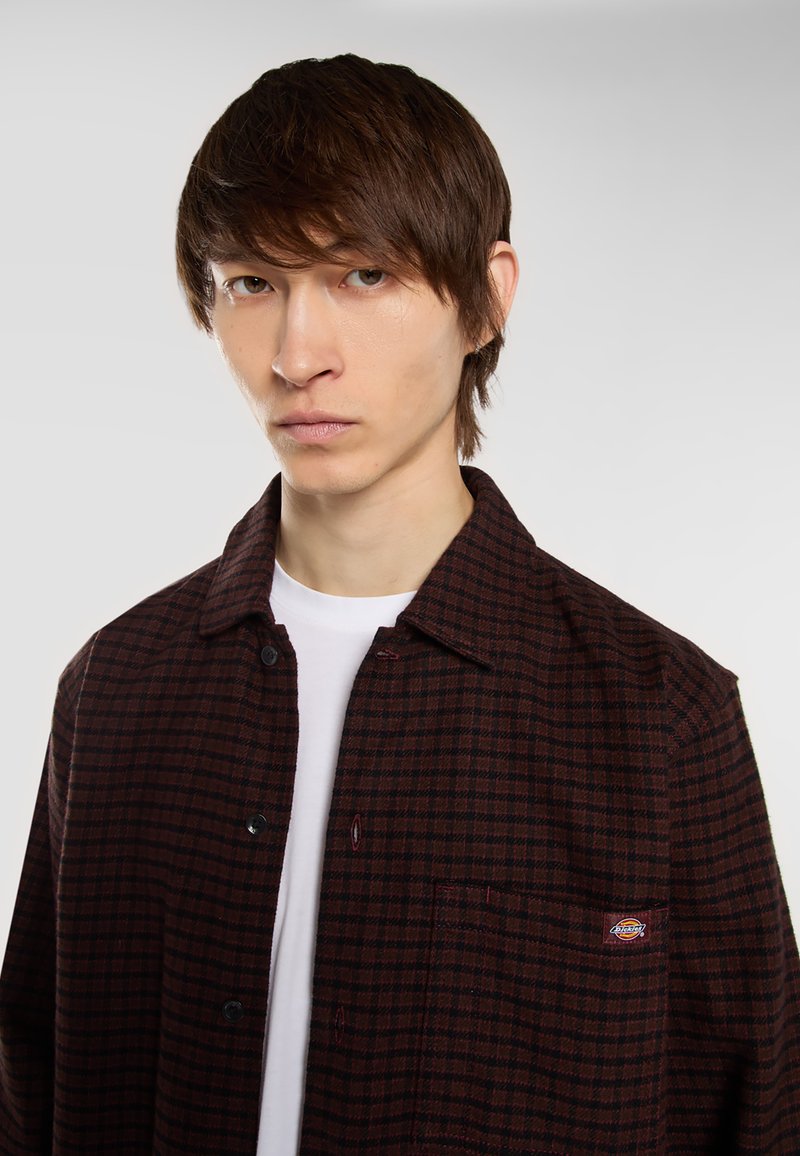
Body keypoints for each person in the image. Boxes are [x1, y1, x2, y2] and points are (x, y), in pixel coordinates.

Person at [1, 52, 798, 1156]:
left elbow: (758, 1109)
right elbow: (30, 1086)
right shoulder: (115, 686)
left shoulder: (659, 714)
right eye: (251, 283)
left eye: (363, 276)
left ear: (485, 299)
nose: (298, 355)